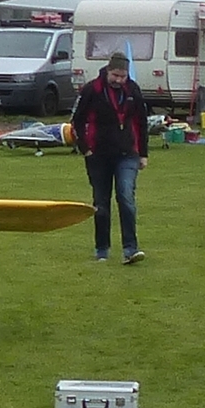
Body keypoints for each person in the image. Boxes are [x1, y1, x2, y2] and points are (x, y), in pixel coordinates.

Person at [70, 51, 150, 263]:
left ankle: (130, 249)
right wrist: (85, 148)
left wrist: (143, 153)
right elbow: (77, 121)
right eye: (115, 75)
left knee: (126, 197)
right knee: (101, 203)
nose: (119, 80)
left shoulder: (133, 90)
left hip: (127, 154)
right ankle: (102, 249)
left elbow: (141, 122)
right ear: (108, 70)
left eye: (123, 76)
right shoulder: (92, 89)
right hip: (98, 155)